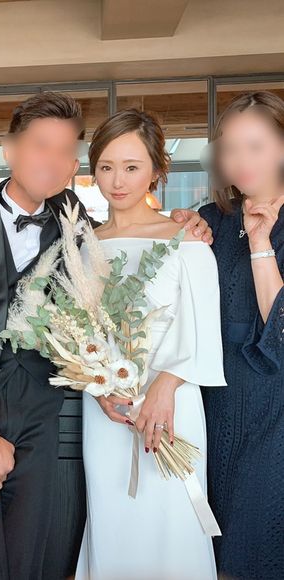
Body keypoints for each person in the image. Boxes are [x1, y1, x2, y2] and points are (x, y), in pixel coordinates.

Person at [0, 92, 213, 580]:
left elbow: (117, 258)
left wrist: (185, 221)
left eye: (65, 151)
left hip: (46, 418)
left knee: (37, 556)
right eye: (41, 145)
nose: (53, 161)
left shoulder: (74, 219)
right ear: (10, 149)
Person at [75, 109, 226, 580]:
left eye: (132, 166)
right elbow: (80, 332)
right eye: (106, 167)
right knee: (112, 517)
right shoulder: (84, 246)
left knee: (170, 519)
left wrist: (165, 388)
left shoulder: (186, 238)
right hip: (107, 411)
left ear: (157, 170)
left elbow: (205, 327)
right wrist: (98, 387)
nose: (117, 180)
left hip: (171, 403)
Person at [199, 91, 284, 580]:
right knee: (217, 543)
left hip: (275, 405)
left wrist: (260, 242)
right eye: (229, 148)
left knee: (262, 538)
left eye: (255, 146)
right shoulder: (213, 219)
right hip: (217, 403)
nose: (240, 161)